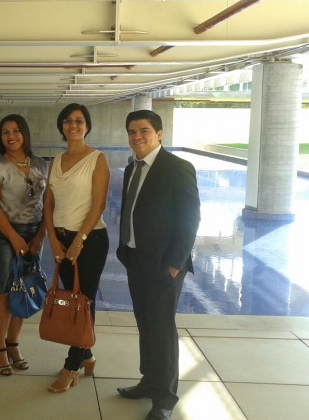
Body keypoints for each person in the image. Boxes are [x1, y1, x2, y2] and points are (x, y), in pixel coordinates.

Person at [116, 110, 201, 420]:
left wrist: (175, 264)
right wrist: (125, 249)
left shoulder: (177, 168)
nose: (136, 136)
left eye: (144, 130)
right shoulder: (131, 168)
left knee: (162, 329)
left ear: (160, 133)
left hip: (165, 265)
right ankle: (148, 381)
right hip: (136, 259)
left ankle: (164, 399)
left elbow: (190, 219)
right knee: (145, 324)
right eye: (131, 131)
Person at [43, 103, 110, 393]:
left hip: (90, 240)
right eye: (68, 120)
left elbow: (99, 204)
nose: (73, 125)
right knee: (71, 299)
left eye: (79, 120)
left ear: (87, 126)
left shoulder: (97, 158)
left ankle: (72, 365)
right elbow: (48, 204)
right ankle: (88, 355)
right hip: (62, 238)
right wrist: (54, 241)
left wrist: (79, 241)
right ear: (61, 126)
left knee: (83, 302)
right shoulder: (55, 161)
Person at [0, 114, 48, 376]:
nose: (11, 136)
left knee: (24, 289)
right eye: (5, 131)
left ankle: (13, 344)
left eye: (16, 130)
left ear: (25, 134)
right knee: (6, 292)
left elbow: (47, 206)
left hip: (32, 235)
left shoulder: (42, 165)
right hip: (0, 234)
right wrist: (14, 237)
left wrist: (39, 236)